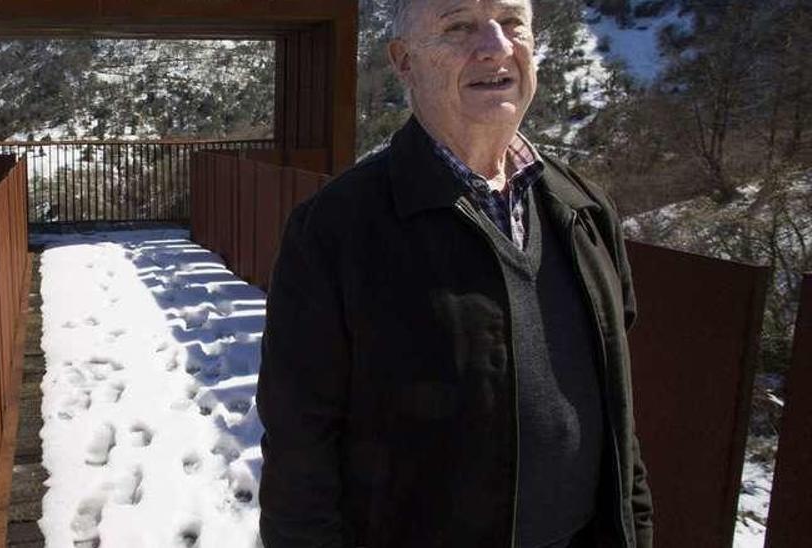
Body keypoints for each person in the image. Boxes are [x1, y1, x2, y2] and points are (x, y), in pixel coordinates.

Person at [255, 0, 653, 546]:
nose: (496, 46)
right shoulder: (336, 231)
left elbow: (619, 416)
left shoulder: (584, 210)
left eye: (514, 24)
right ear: (403, 61)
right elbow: (301, 454)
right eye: (459, 26)